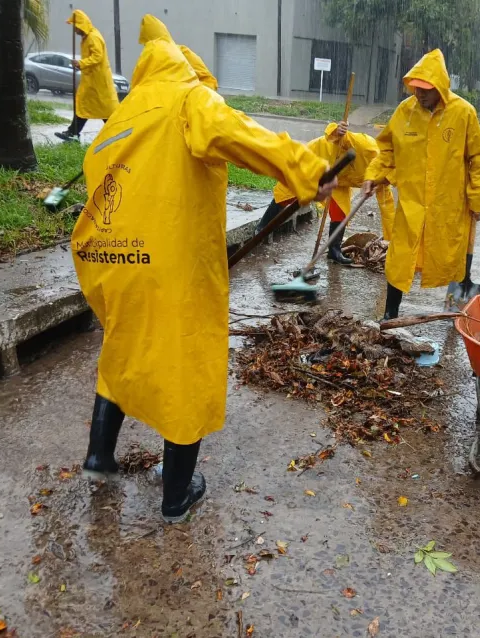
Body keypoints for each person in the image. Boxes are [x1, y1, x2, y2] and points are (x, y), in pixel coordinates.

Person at [71, 14, 336, 523]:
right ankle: (177, 495)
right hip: (171, 266)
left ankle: (99, 458)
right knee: (186, 364)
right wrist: (307, 169)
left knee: (121, 351)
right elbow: (243, 133)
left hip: (111, 261)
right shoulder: (188, 100)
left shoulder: (122, 117)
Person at [363, 49, 480, 319]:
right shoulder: (405, 112)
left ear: (440, 87)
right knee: (399, 259)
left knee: (454, 254)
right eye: (416, 88)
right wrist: (373, 175)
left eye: (426, 89)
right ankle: (390, 314)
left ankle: (457, 310)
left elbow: (478, 158)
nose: (419, 94)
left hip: (449, 204)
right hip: (411, 203)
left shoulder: (463, 113)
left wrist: (477, 199)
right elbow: (387, 150)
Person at [256, 121, 396, 263]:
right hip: (319, 159)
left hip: (339, 180)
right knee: (287, 193)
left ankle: (334, 251)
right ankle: (261, 228)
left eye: (388, 181)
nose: (385, 182)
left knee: (340, 211)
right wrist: (337, 130)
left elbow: (388, 211)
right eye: (386, 179)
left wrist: (391, 246)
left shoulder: (382, 183)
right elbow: (339, 136)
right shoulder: (368, 147)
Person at [55, 10, 120, 142]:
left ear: (81, 25)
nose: (74, 30)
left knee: (104, 109)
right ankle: (73, 132)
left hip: (98, 81)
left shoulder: (93, 37)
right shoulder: (87, 37)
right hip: (91, 80)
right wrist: (81, 64)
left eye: (75, 27)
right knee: (84, 106)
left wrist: (81, 63)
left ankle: (117, 133)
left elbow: (97, 56)